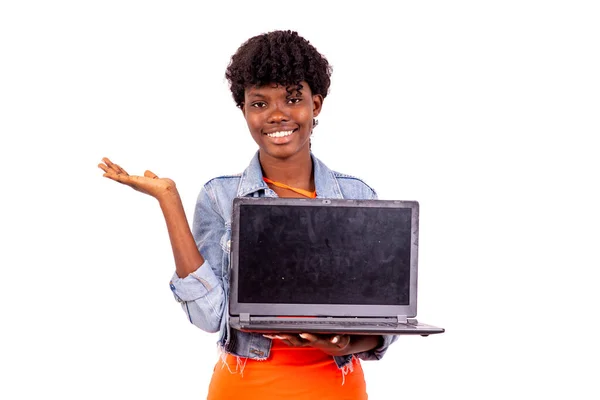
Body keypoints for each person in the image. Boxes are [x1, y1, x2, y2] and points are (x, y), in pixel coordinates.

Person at [98, 30, 397, 399]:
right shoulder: (220, 197)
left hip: (335, 389)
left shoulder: (357, 196)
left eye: (292, 98)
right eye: (259, 104)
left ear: (315, 104)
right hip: (244, 387)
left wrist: (347, 341)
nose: (277, 115)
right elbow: (210, 317)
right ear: (243, 109)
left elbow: (385, 320)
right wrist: (169, 201)